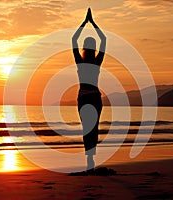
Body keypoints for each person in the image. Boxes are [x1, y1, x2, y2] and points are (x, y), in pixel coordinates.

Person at [72, 8, 106, 171]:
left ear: (84, 48)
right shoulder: (96, 62)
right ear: (94, 48)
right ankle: (91, 157)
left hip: (84, 98)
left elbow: (73, 40)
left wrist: (84, 23)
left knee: (87, 127)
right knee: (94, 127)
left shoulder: (80, 62)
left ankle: (90, 159)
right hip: (95, 98)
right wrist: (93, 23)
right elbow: (104, 39)